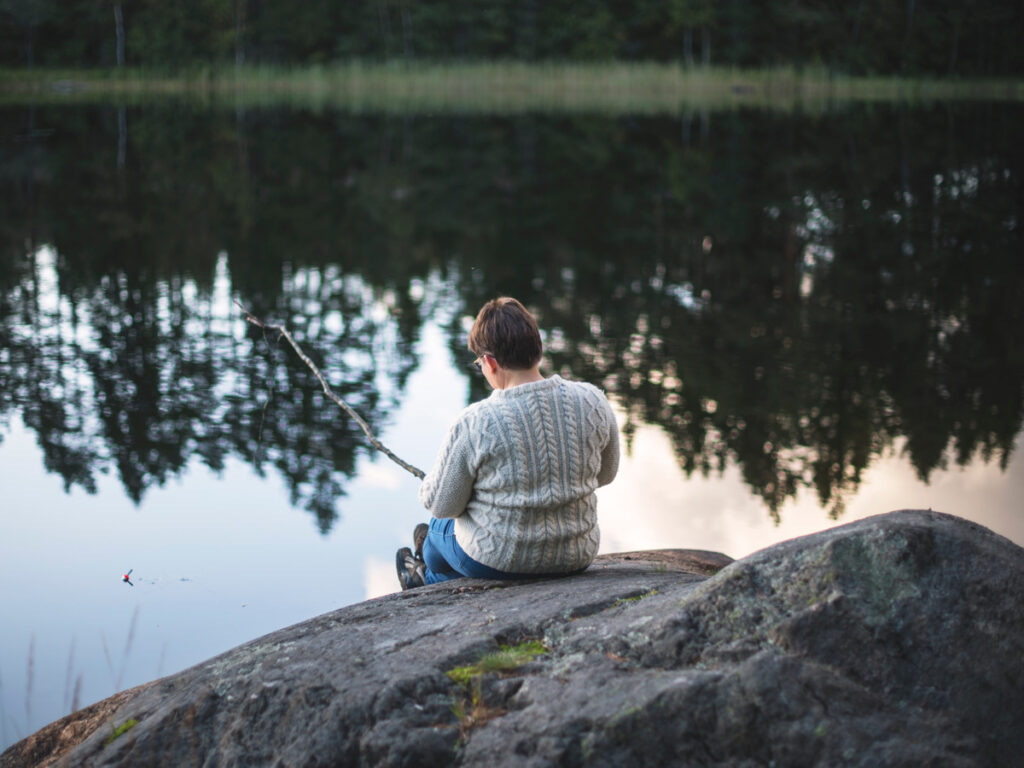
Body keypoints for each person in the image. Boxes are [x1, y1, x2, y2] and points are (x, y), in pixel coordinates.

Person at [396, 297, 619, 589]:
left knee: (438, 528)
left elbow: (442, 504)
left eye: (479, 363)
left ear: (489, 362)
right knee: (441, 534)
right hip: (576, 553)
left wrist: (430, 485)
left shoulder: (476, 421)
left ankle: (427, 579)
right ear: (537, 347)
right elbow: (606, 474)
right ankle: (429, 568)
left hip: (502, 560)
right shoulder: (593, 401)